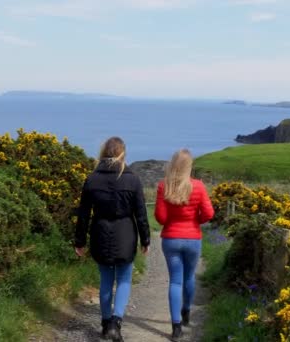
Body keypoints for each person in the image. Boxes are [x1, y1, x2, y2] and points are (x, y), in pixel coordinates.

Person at [75, 136, 151, 342]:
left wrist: (79, 242)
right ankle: (116, 324)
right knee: (124, 278)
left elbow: (83, 214)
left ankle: (106, 323)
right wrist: (146, 240)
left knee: (106, 280)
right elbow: (141, 214)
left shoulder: (92, 179)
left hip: (100, 233)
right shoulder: (132, 179)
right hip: (126, 233)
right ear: (122, 154)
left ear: (103, 153)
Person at [154, 149, 214, 341]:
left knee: (175, 281)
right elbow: (209, 214)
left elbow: (161, 218)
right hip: (193, 239)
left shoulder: (164, 186)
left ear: (173, 164)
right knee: (189, 278)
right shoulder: (198, 186)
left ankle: (176, 326)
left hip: (171, 239)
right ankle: (186, 310)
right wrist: (196, 220)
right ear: (189, 166)